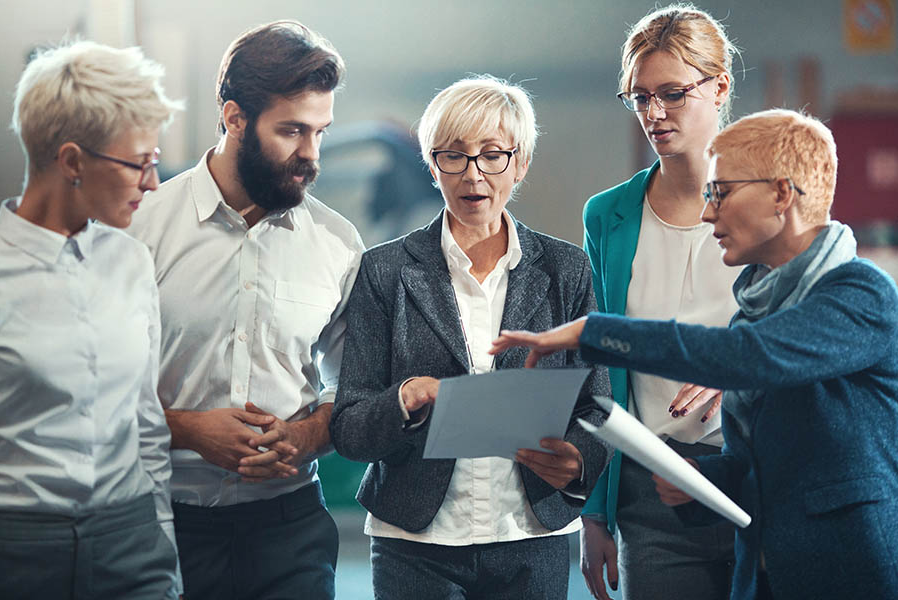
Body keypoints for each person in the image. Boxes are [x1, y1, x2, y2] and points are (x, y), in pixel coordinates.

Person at [492, 108, 898, 600]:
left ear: (782, 193)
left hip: (848, 570)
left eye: (721, 193)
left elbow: (746, 357)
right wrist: (699, 480)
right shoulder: (757, 305)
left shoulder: (860, 292)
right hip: (766, 572)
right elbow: (757, 463)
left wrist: (593, 331)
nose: (708, 213)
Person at [330, 75, 612, 600]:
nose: (473, 174)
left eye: (492, 155)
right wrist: (404, 398)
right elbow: (349, 428)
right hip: (414, 539)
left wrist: (577, 460)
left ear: (521, 162)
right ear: (432, 165)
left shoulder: (566, 268)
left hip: (532, 535)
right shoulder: (384, 271)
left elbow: (595, 405)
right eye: (453, 156)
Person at [126, 20, 363, 599]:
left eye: (320, 133)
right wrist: (186, 431)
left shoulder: (338, 244)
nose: (310, 155)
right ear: (234, 118)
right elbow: (93, 392)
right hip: (161, 525)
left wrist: (306, 437)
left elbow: (352, 385)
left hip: (291, 531)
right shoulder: (140, 228)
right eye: (292, 131)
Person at [0, 41, 182, 598]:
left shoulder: (131, 259)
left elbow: (146, 424)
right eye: (139, 163)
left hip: (132, 542)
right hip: (17, 547)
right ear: (73, 161)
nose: (152, 182)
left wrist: (162, 547)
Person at [580, 5, 741, 599]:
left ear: (719, 86)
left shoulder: (773, 200)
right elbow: (599, 367)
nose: (653, 113)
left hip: (758, 470)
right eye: (639, 96)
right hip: (651, 488)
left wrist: (737, 375)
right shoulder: (608, 216)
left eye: (672, 93)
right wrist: (595, 511)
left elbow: (808, 340)